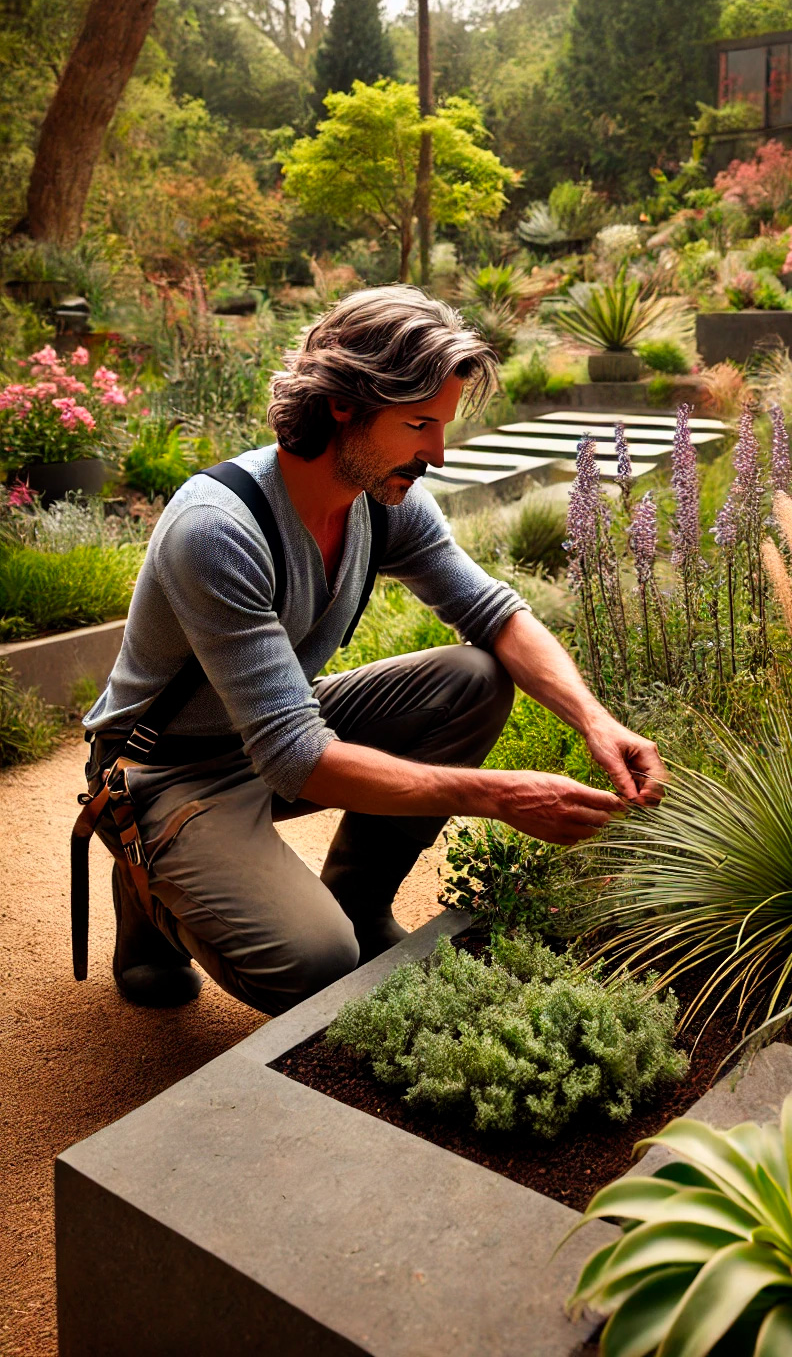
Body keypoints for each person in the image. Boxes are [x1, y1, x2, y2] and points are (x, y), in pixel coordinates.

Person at [81, 287, 665, 1014]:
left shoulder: (381, 498)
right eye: (419, 423)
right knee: (316, 965)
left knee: (473, 678)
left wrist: (595, 721)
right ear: (344, 404)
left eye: (443, 425)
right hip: (163, 766)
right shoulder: (217, 528)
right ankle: (149, 892)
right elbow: (296, 757)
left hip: (268, 730)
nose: (437, 454)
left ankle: (357, 904)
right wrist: (501, 796)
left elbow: (493, 613)